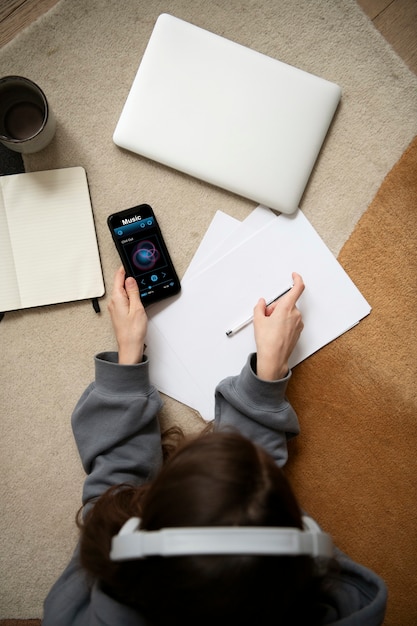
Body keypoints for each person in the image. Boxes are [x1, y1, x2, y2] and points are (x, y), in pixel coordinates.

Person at [43, 267, 387, 626]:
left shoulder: (72, 616)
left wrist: (127, 365)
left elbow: (113, 490)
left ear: (132, 536)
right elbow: (241, 510)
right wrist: (265, 381)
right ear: (306, 545)